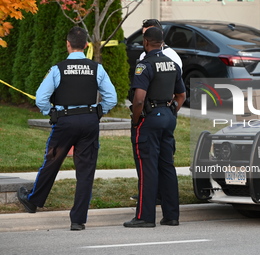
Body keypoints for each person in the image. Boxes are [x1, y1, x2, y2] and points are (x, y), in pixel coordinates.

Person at [17, 26, 117, 231]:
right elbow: (112, 98)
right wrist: (99, 112)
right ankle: (78, 220)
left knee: (52, 162)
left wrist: (50, 112)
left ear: (68, 44)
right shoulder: (96, 68)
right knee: (86, 171)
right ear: (87, 45)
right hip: (89, 122)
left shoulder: (58, 68)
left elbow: (41, 97)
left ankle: (33, 200)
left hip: (65, 122)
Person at [124, 27, 186, 228]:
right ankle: (171, 216)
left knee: (147, 168)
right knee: (167, 166)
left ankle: (144, 217)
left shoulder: (144, 65)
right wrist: (171, 111)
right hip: (168, 117)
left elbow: (139, 99)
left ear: (145, 42)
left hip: (149, 119)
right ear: (161, 42)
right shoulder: (172, 64)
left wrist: (135, 120)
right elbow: (181, 96)